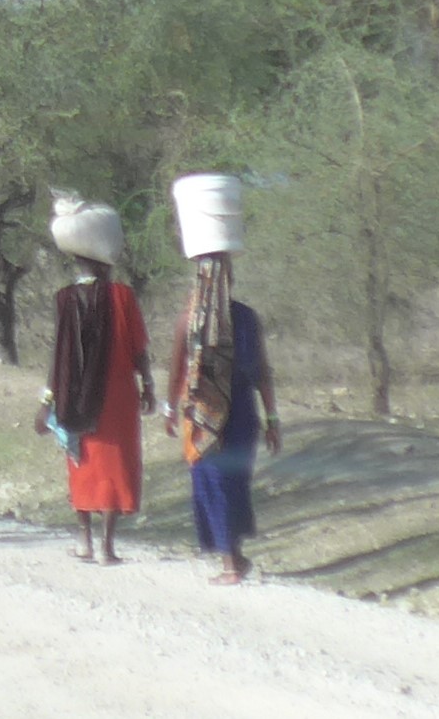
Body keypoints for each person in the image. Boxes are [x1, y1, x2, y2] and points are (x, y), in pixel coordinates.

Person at [36, 195, 155, 564]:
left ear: (77, 259)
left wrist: (47, 401)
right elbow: (139, 349)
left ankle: (85, 542)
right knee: (114, 465)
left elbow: (59, 355)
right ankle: (107, 547)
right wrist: (148, 385)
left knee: (82, 462)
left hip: (75, 396)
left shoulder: (65, 298)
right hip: (117, 395)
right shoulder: (123, 296)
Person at [164, 253, 281, 584]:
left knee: (221, 485)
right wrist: (271, 417)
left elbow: (259, 370)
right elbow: (262, 372)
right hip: (231, 416)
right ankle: (236, 557)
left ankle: (230, 565)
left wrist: (170, 409)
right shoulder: (237, 318)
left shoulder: (195, 320)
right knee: (225, 484)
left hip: (212, 421)